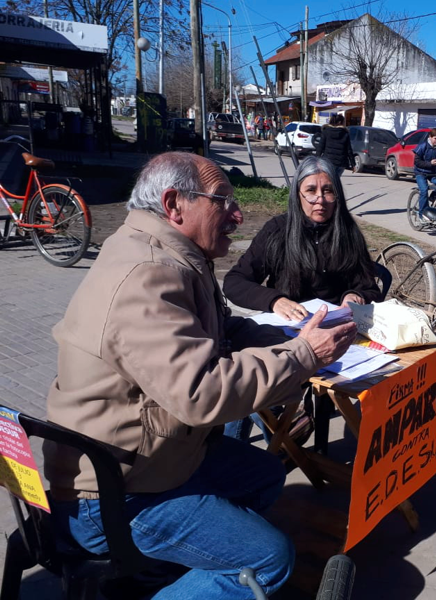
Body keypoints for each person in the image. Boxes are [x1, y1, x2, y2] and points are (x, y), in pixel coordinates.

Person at [44, 152, 357, 598]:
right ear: (175, 205)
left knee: (264, 474)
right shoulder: (149, 275)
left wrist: (287, 337)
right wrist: (302, 354)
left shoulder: (169, 252)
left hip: (147, 459)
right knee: (268, 560)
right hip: (114, 494)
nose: (238, 213)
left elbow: (220, 329)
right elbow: (203, 393)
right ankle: (202, 574)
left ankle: (178, 567)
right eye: (223, 200)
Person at [222, 156, 380, 442]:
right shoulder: (278, 231)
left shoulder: (348, 232)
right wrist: (274, 300)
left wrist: (354, 294)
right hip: (284, 335)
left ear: (337, 195)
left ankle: (282, 442)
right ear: (298, 194)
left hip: (331, 336)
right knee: (247, 377)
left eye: (328, 190)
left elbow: (370, 287)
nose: (320, 199)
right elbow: (234, 282)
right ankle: (243, 447)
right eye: (310, 191)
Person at [413, 127, 436, 216]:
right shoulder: (423, 146)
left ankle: (433, 198)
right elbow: (417, 162)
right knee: (424, 190)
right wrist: (430, 163)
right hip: (421, 173)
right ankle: (422, 214)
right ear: (430, 137)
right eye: (435, 138)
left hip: (433, 173)